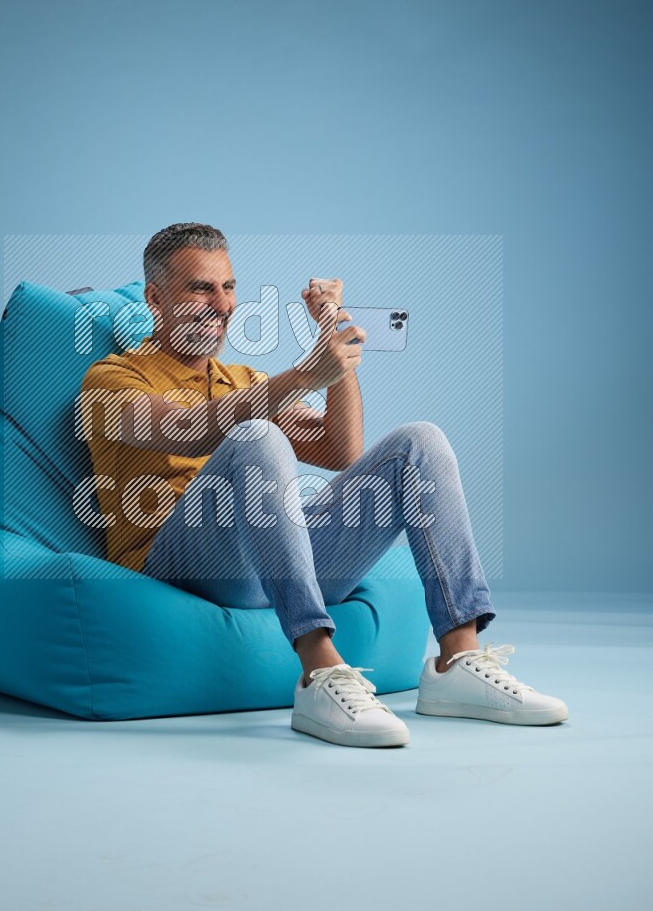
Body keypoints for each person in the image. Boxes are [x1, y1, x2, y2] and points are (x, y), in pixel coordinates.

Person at [80, 222, 568, 748]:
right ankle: (319, 671)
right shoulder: (110, 379)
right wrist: (302, 376)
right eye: (201, 288)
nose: (220, 304)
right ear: (156, 298)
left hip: (268, 558)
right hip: (182, 565)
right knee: (258, 436)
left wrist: (334, 342)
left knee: (418, 442)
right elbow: (189, 428)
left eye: (228, 287)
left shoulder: (243, 382)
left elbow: (341, 452)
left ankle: (458, 658)